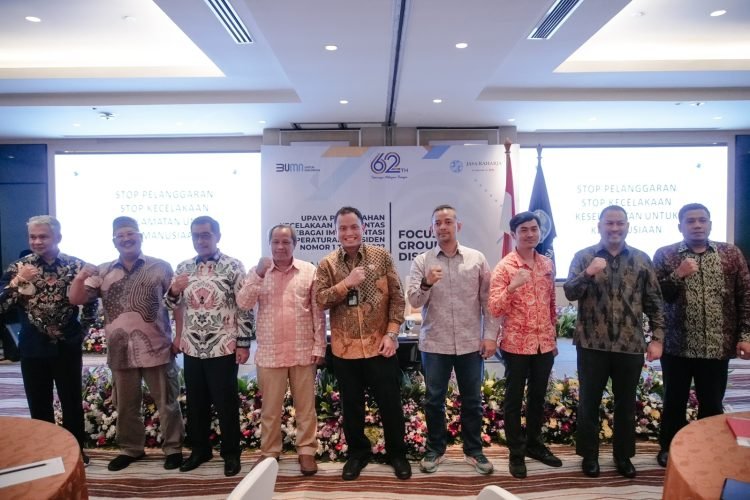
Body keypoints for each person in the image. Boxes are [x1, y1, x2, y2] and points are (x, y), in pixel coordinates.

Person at [68, 216, 184, 471]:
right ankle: (131, 449)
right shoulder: (102, 270)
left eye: (131, 234)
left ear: (141, 237)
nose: (126, 239)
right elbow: (76, 299)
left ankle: (173, 448)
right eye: (120, 236)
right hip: (120, 350)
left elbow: (177, 301)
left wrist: (178, 336)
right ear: (114, 241)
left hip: (158, 348)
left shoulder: (161, 267)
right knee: (126, 405)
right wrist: (79, 278)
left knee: (167, 402)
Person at [563, 205, 665, 479]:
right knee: (588, 402)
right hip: (591, 345)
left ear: (628, 226)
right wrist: (588, 273)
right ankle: (590, 456)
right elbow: (570, 292)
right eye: (609, 223)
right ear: (599, 226)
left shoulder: (642, 259)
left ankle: (623, 457)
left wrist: (657, 339)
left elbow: (655, 303)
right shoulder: (584, 256)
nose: (615, 228)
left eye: (620, 223)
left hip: (630, 345)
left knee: (626, 404)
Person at [314, 206, 411, 481]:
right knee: (351, 406)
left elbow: (398, 298)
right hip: (345, 350)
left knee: (390, 404)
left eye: (353, 227)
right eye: (343, 228)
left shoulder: (382, 257)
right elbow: (320, 300)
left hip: (380, 346)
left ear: (363, 228)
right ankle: (358, 453)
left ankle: (397, 454)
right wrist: (346, 283)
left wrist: (391, 334)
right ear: (336, 231)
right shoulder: (327, 264)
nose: (349, 232)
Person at [653, 203, 750, 467]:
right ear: (680, 226)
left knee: (712, 403)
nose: (697, 225)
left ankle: (710, 448)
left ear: (710, 224)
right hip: (677, 346)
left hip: (716, 346)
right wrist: (678, 275)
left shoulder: (730, 254)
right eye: (691, 221)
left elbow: (745, 295)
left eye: (702, 220)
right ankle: (670, 449)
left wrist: (745, 335)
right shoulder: (666, 254)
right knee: (674, 401)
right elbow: (656, 297)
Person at [406, 204, 497, 475]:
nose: (443, 227)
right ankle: (435, 449)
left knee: (472, 400)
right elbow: (413, 300)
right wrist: (426, 283)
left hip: (470, 343)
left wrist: (490, 336)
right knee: (434, 399)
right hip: (435, 343)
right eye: (438, 223)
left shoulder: (476, 259)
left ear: (458, 226)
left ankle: (474, 450)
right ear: (432, 228)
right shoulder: (422, 261)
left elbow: (488, 301)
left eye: (448, 222)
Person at [0, 216, 95, 464]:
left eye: (43, 236)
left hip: (67, 345)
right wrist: (19, 281)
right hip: (33, 347)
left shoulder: (76, 266)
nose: (37, 241)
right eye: (33, 237)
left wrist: (81, 332)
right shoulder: (17, 268)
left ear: (58, 238)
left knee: (71, 402)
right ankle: (46, 452)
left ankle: (76, 452)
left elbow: (91, 303)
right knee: (39, 403)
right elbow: (2, 306)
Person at [165, 216, 253, 477]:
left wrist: (244, 343)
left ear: (217, 236)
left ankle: (231, 453)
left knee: (226, 403)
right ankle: (200, 450)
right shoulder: (183, 268)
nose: (200, 240)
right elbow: (169, 306)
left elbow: (244, 307)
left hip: (223, 346)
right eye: (196, 236)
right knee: (196, 403)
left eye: (205, 235)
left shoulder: (233, 266)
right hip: (192, 347)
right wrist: (173, 290)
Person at [237, 224, 325, 476]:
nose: (280, 246)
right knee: (270, 409)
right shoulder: (259, 272)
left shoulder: (309, 271)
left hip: (302, 351)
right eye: (276, 241)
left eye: (286, 242)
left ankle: (306, 451)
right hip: (270, 353)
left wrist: (320, 345)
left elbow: (318, 313)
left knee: (306, 407)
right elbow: (243, 303)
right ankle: (269, 452)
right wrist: (258, 275)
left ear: (294, 244)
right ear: (269, 244)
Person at [488, 211, 561, 478]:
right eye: (524, 230)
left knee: (538, 398)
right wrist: (512, 287)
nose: (530, 234)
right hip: (516, 345)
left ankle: (534, 444)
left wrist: (552, 338)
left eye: (534, 229)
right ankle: (516, 453)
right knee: (513, 400)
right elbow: (494, 307)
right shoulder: (505, 267)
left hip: (544, 344)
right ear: (514, 234)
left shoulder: (547, 264)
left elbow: (552, 304)